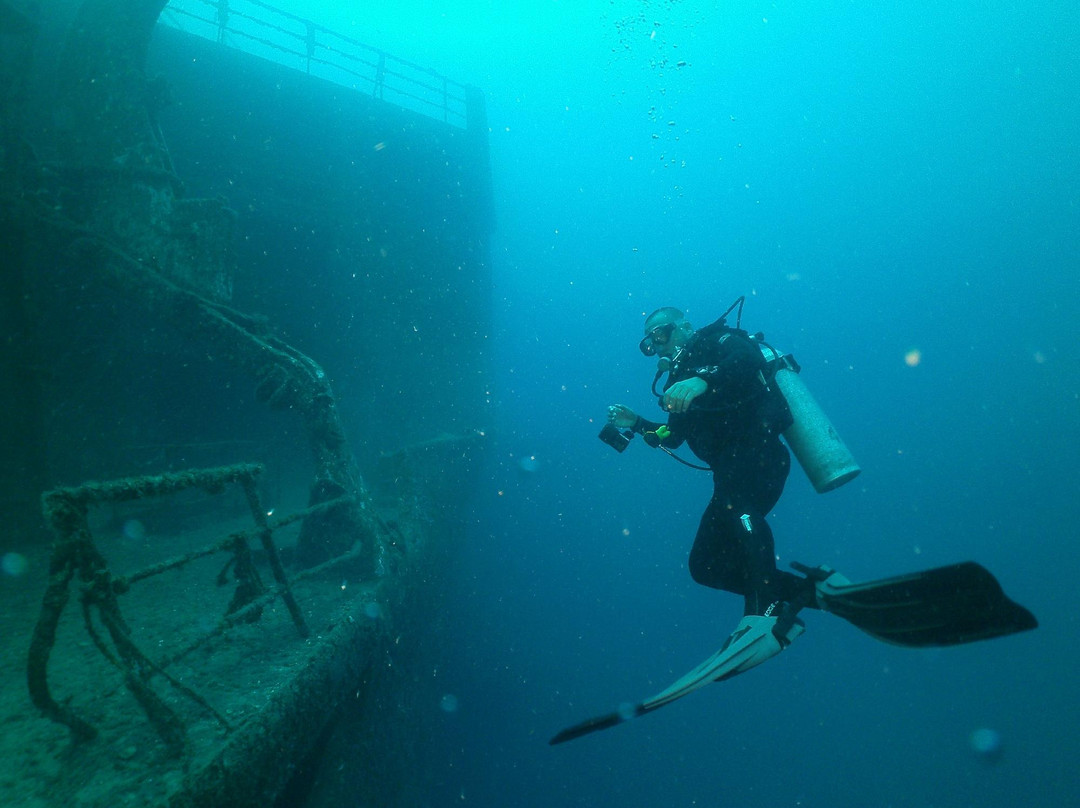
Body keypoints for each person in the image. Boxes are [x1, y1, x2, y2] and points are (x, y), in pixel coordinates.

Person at [607, 305, 814, 619]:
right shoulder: (678, 380)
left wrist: (702, 380)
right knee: (705, 565)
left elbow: (747, 359)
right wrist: (636, 422)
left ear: (685, 327)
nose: (657, 345)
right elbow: (673, 435)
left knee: (740, 509)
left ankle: (765, 610)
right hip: (728, 473)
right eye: (649, 342)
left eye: (660, 334)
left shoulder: (718, 340)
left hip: (759, 456)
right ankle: (818, 593)